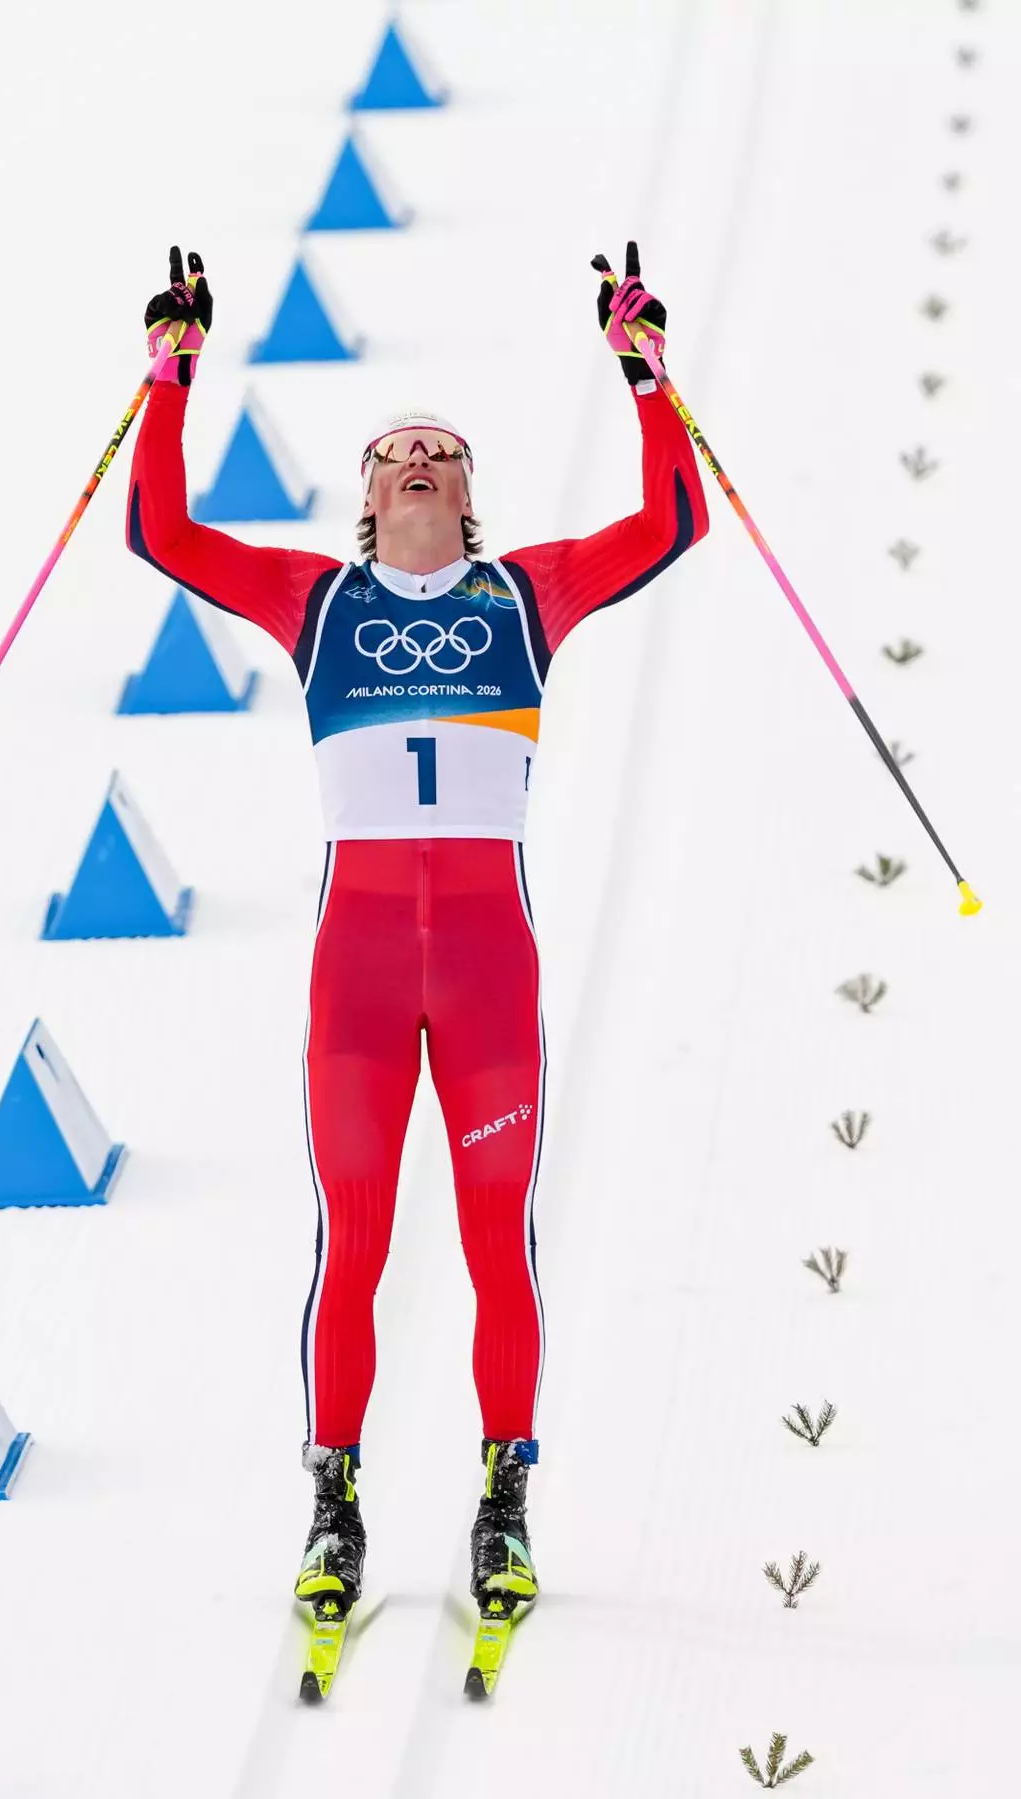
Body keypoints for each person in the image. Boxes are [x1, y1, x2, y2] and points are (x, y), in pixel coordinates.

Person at [126, 243, 709, 1628]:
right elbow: (165, 536)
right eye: (396, 456)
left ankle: (504, 1501)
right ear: (368, 504)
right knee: (359, 1243)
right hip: (364, 982)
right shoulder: (315, 602)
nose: (420, 463)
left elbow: (674, 521)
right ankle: (335, 1505)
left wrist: (647, 373)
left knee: (499, 1243)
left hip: (491, 971)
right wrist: (172, 372)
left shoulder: (530, 596)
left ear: (469, 498)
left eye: (443, 453)